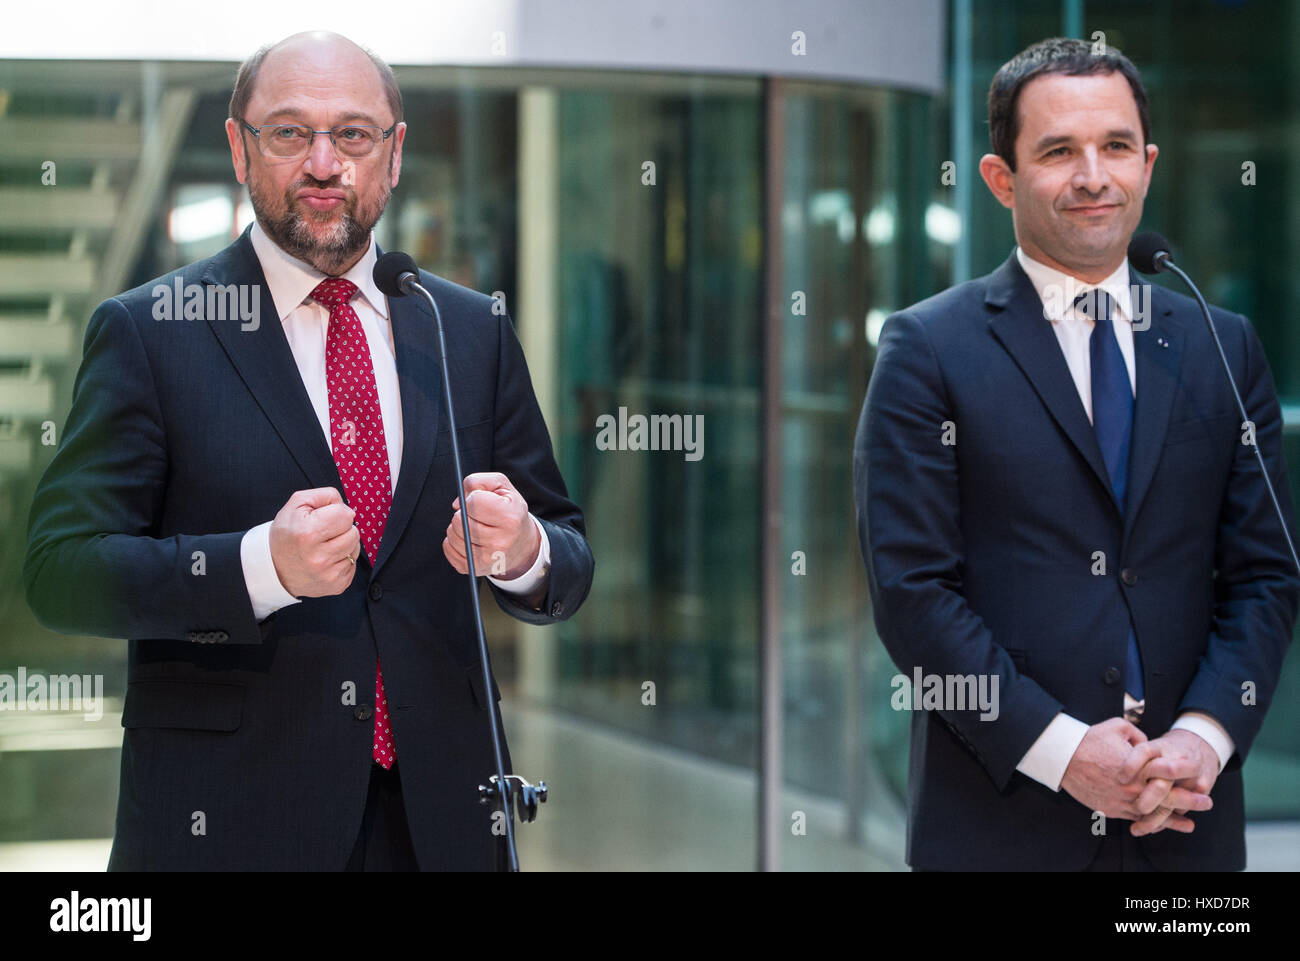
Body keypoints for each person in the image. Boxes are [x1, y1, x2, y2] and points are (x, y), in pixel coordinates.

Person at [23, 31, 594, 871]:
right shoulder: (149, 333)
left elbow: (567, 553)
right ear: (238, 147)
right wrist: (259, 567)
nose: (325, 164)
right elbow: (59, 571)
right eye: (290, 133)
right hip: (231, 818)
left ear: (394, 156)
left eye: (354, 135)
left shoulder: (467, 328)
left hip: (441, 821)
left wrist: (525, 552)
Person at [854, 37, 1298, 871]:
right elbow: (912, 593)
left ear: (1148, 164)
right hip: (1003, 824)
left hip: (1186, 826)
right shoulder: (928, 347)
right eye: (1059, 151)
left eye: (1116, 147)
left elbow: (1266, 574)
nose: (1094, 175)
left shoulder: (1220, 343)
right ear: (1000, 178)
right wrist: (1063, 751)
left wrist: (1203, 738)